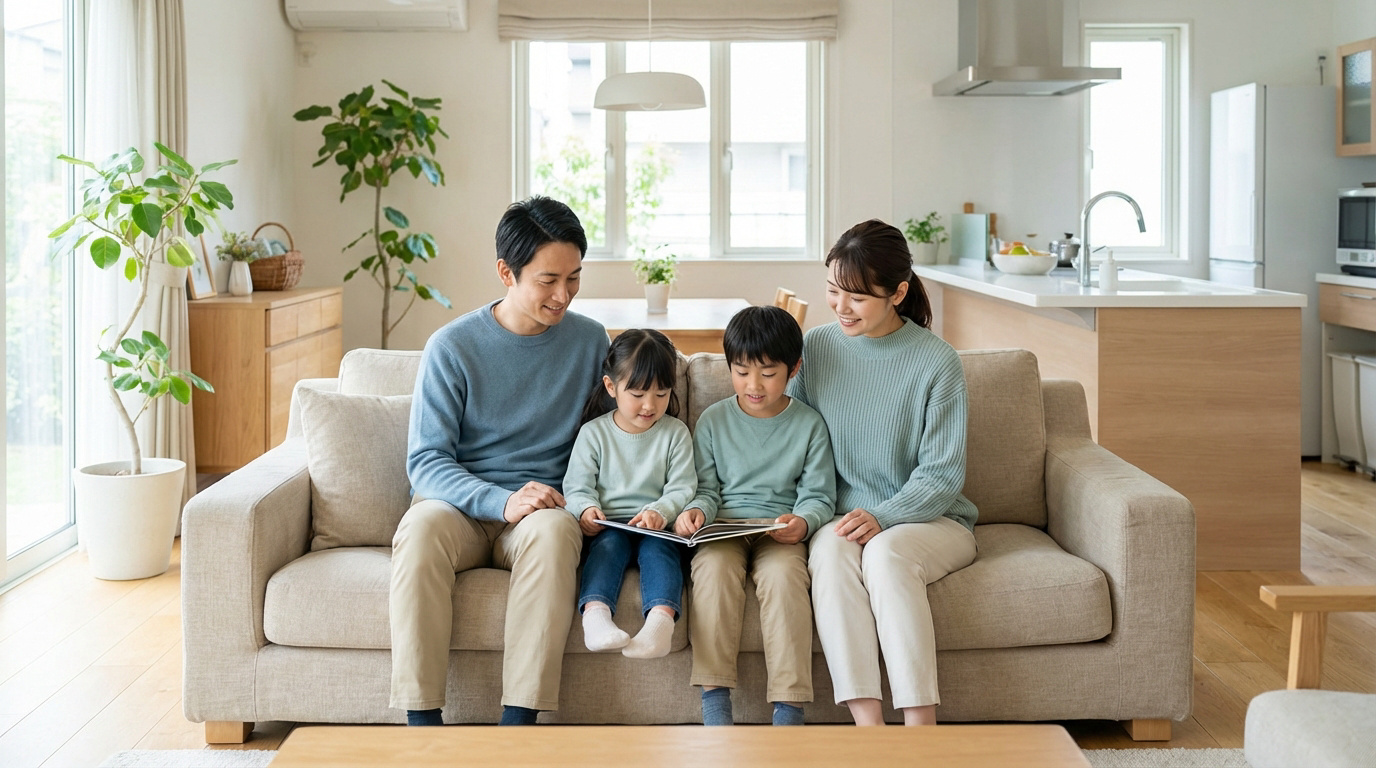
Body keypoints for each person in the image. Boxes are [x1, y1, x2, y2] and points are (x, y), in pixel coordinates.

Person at [392, 196, 609, 727]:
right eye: (548, 280)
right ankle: (422, 728)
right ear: (506, 273)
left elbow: (612, 437)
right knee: (419, 530)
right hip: (459, 510)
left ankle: (518, 728)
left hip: (542, 512)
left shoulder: (590, 341)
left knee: (556, 533)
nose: (563, 295)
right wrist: (501, 500)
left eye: (574, 278)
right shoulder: (452, 346)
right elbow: (426, 460)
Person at [790, 219, 979, 727]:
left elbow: (941, 476)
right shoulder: (816, 349)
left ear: (898, 293)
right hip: (844, 517)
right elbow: (792, 440)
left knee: (886, 555)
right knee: (830, 553)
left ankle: (920, 733)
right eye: (833, 291)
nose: (841, 307)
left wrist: (883, 516)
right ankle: (871, 735)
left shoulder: (937, 362)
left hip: (932, 520)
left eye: (857, 297)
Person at [676, 306, 836, 726]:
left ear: (793, 369)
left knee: (785, 580)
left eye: (767, 373)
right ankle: (715, 702)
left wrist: (804, 521)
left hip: (778, 531)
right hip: (723, 528)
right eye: (742, 372)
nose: (754, 385)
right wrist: (696, 511)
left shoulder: (809, 425)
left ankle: (789, 706)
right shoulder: (713, 421)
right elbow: (705, 489)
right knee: (712, 571)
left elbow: (819, 495)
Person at [564, 329, 696, 660]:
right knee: (607, 549)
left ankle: (660, 624)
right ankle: (596, 617)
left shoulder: (675, 433)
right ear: (611, 387)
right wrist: (586, 510)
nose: (650, 405)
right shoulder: (594, 433)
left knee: (661, 552)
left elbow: (682, 486)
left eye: (661, 393)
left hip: (656, 526)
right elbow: (577, 486)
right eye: (637, 394)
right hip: (610, 525)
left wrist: (660, 511)